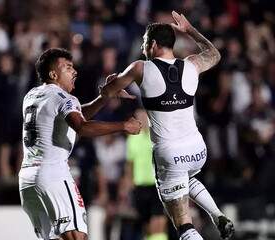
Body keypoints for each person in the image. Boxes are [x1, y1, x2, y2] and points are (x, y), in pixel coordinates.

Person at [101, 11, 235, 240]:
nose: (143, 49)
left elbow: (107, 93)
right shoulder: (192, 65)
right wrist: (190, 30)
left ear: (152, 44)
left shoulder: (140, 68)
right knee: (188, 178)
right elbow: (214, 54)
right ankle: (217, 215)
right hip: (197, 150)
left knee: (183, 224)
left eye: (144, 43)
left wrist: (111, 85)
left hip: (170, 154)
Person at [18, 48, 142, 240]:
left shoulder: (32, 95)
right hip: (53, 175)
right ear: (53, 74)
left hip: (27, 180)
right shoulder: (64, 98)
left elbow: (73, 115)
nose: (74, 71)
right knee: (78, 237)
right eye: (67, 67)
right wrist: (124, 125)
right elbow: (81, 126)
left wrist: (104, 97)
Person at [121, 108, 168, 240]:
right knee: (146, 224)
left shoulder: (157, 136)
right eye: (139, 118)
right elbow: (129, 164)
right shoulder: (131, 140)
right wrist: (128, 182)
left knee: (158, 222)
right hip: (140, 186)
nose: (142, 121)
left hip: (156, 185)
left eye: (144, 117)